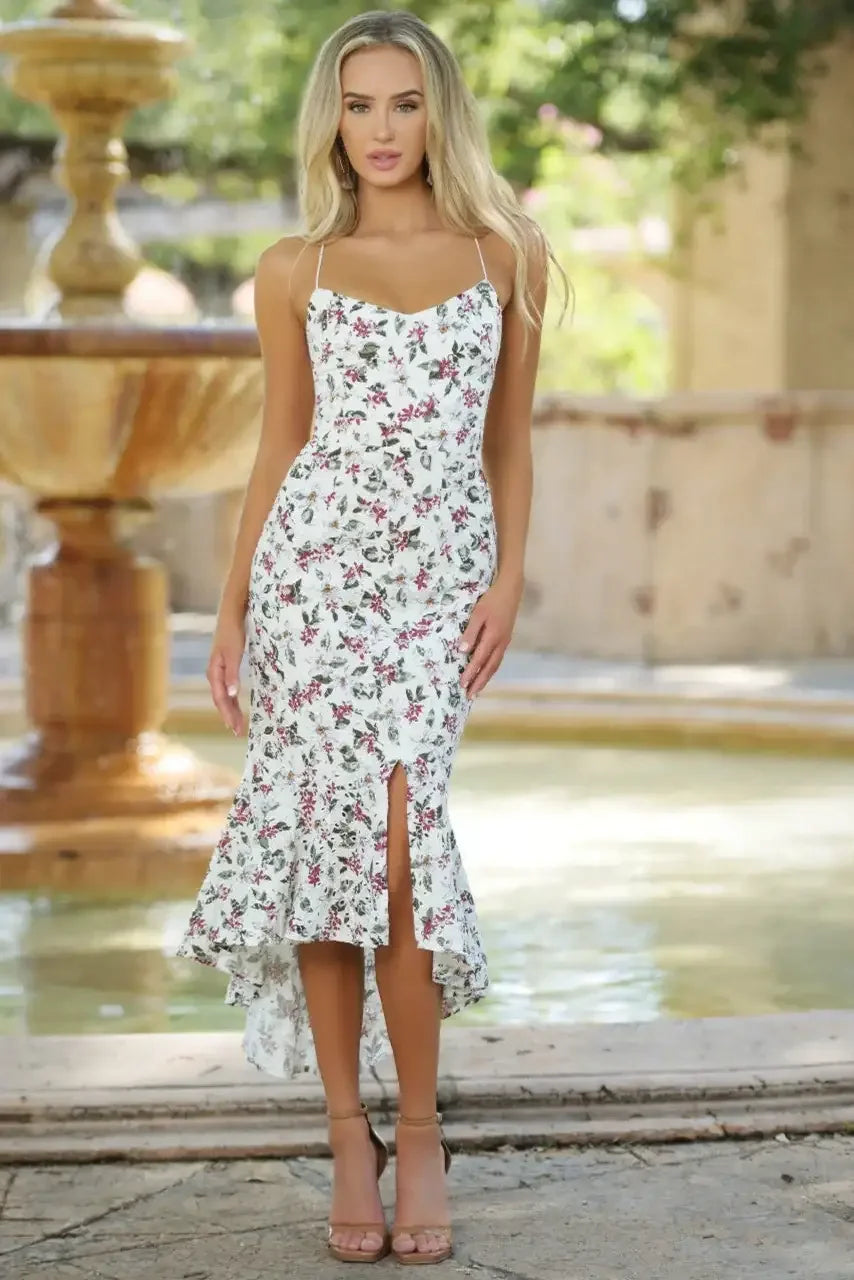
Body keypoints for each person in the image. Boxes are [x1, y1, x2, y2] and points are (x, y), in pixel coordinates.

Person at [177, 7, 563, 1266]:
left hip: (433, 582)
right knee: (322, 848)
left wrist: (508, 574)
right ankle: (351, 1131)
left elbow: (508, 437)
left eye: (403, 103)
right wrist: (233, 607)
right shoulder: (294, 267)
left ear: (436, 111)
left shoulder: (507, 253)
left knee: (398, 843)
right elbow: (280, 441)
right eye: (358, 105)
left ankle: (421, 1126)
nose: (381, 129)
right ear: (331, 120)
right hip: (312, 579)